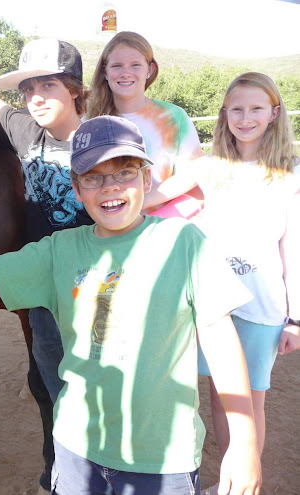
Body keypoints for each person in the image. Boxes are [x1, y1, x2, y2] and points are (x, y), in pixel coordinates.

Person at [0, 115, 262, 494]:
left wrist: (244, 444)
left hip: (161, 458)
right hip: (77, 448)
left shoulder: (184, 243)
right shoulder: (59, 251)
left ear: (147, 179)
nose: (109, 188)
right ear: (77, 190)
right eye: (93, 178)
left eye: (124, 172)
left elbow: (223, 346)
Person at [141, 72, 300, 495]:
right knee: (218, 396)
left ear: (273, 113)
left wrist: (296, 319)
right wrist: (111, 184)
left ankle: (246, 485)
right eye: (236, 109)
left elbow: (295, 249)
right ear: (224, 114)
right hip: (212, 305)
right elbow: (153, 196)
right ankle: (231, 483)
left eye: (255, 109)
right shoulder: (209, 168)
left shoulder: (291, 174)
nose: (245, 118)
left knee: (250, 402)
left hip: (262, 305)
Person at [0, 37, 94, 402]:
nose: (36, 97)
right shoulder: (27, 132)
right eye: (28, 89)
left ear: (75, 91)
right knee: (57, 390)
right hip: (45, 292)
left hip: (96, 288)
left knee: (102, 388)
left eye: (48, 85)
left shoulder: (101, 143)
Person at [87, 31, 204, 217]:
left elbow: (192, 176)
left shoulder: (174, 117)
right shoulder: (90, 120)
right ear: (105, 72)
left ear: (149, 70)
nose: (126, 73)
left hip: (163, 225)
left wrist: (139, 202)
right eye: (117, 66)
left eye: (135, 65)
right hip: (107, 229)